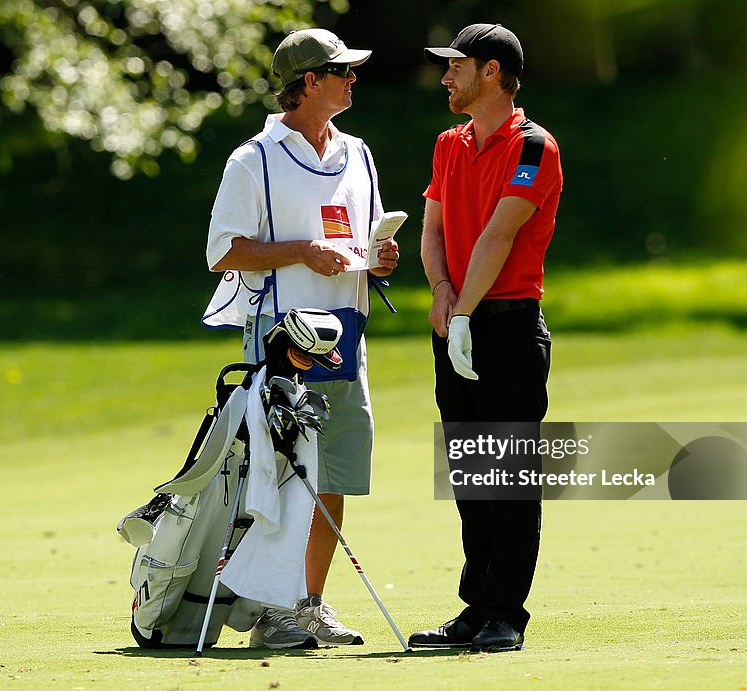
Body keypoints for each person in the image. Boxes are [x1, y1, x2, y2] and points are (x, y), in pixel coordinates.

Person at [202, 28, 399, 649]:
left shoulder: (358, 153)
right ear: (309, 83)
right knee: (283, 474)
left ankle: (308, 605)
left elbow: (360, 239)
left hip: (348, 331)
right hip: (282, 336)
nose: (352, 80)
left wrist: (381, 255)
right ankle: (271, 612)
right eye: (342, 71)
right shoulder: (252, 159)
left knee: (333, 472)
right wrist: (300, 254)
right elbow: (223, 253)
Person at [410, 23, 562, 653]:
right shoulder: (450, 143)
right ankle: (475, 609)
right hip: (458, 321)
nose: (447, 77)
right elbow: (433, 229)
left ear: (492, 71)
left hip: (508, 328)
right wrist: (443, 292)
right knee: (470, 474)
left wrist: (466, 311)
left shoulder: (533, 147)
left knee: (508, 477)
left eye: (457, 66)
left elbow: (500, 236)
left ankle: (505, 613)